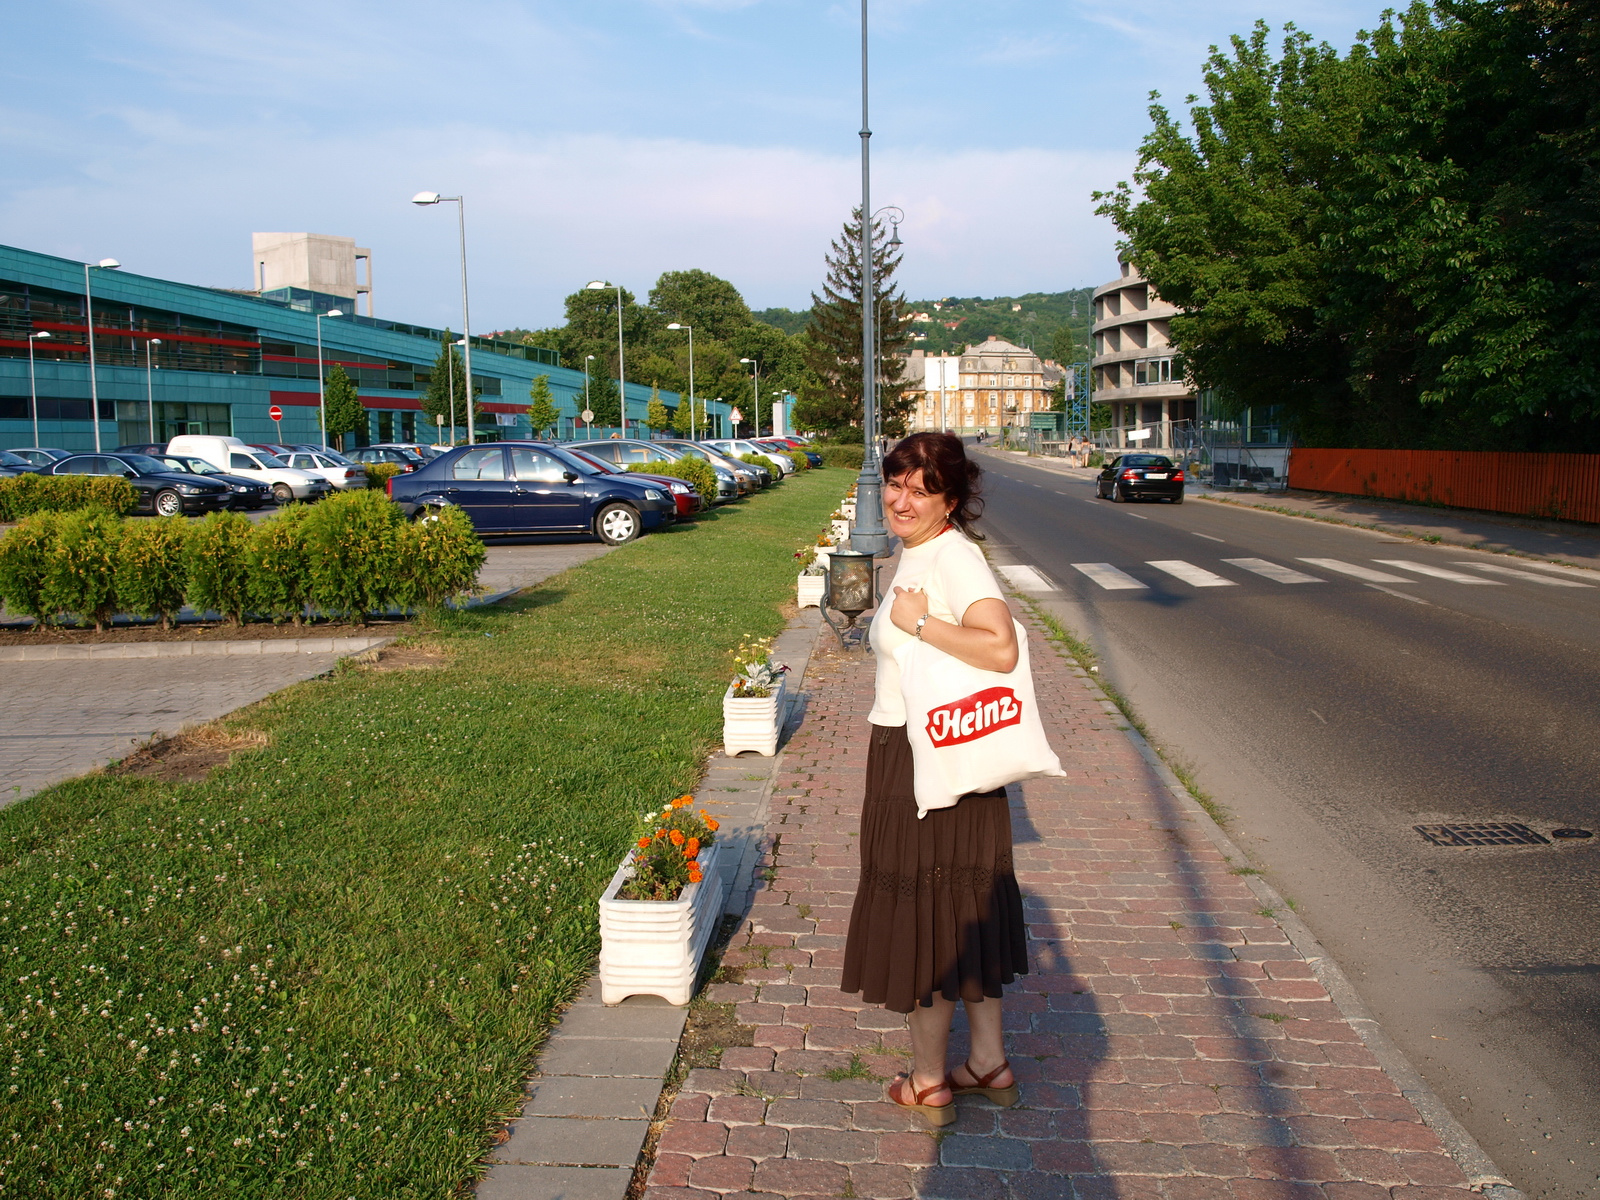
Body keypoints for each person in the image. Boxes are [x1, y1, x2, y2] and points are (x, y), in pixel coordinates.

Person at [840, 431, 1028, 1126]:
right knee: (962, 909)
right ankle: (987, 1063)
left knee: (924, 916)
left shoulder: (953, 558)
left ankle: (927, 1079)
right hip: (938, 756)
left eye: (922, 490)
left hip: (924, 761)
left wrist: (921, 626)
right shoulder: (918, 552)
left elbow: (999, 645)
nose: (901, 500)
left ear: (951, 500)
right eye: (896, 483)